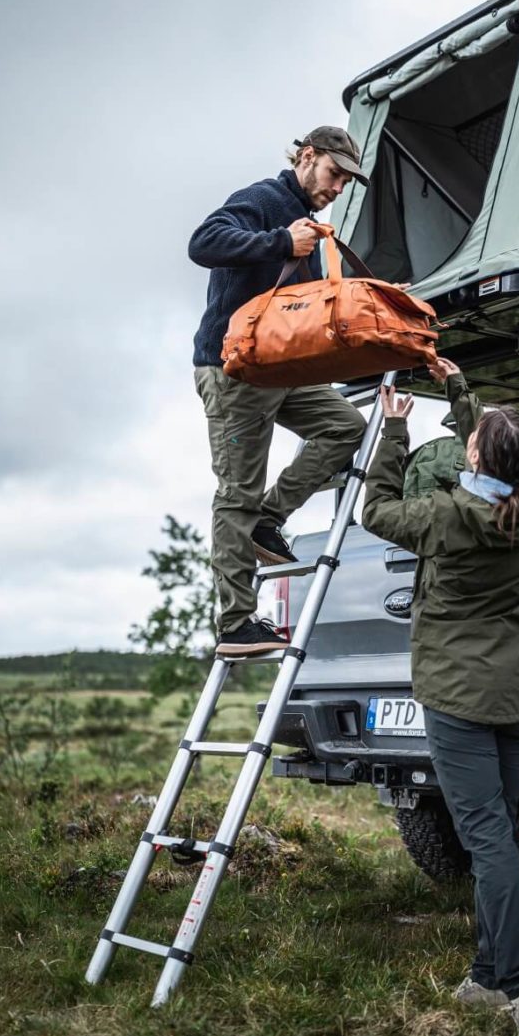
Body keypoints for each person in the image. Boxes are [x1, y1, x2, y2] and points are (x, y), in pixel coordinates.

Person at [361, 358, 519, 1036]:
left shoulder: (447, 516)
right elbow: (496, 453)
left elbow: (375, 510)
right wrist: (458, 392)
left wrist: (392, 431)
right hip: (513, 696)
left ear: (476, 459)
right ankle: (486, 973)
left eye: (472, 441)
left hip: (458, 697)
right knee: (499, 830)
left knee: (486, 843)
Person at [190, 127, 369, 657]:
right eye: (334, 173)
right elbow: (202, 243)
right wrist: (279, 242)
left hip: (283, 370)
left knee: (346, 428)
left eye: (346, 181)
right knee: (236, 494)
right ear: (307, 157)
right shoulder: (263, 200)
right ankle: (237, 624)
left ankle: (268, 519)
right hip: (235, 372)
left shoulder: (314, 230)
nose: (339, 187)